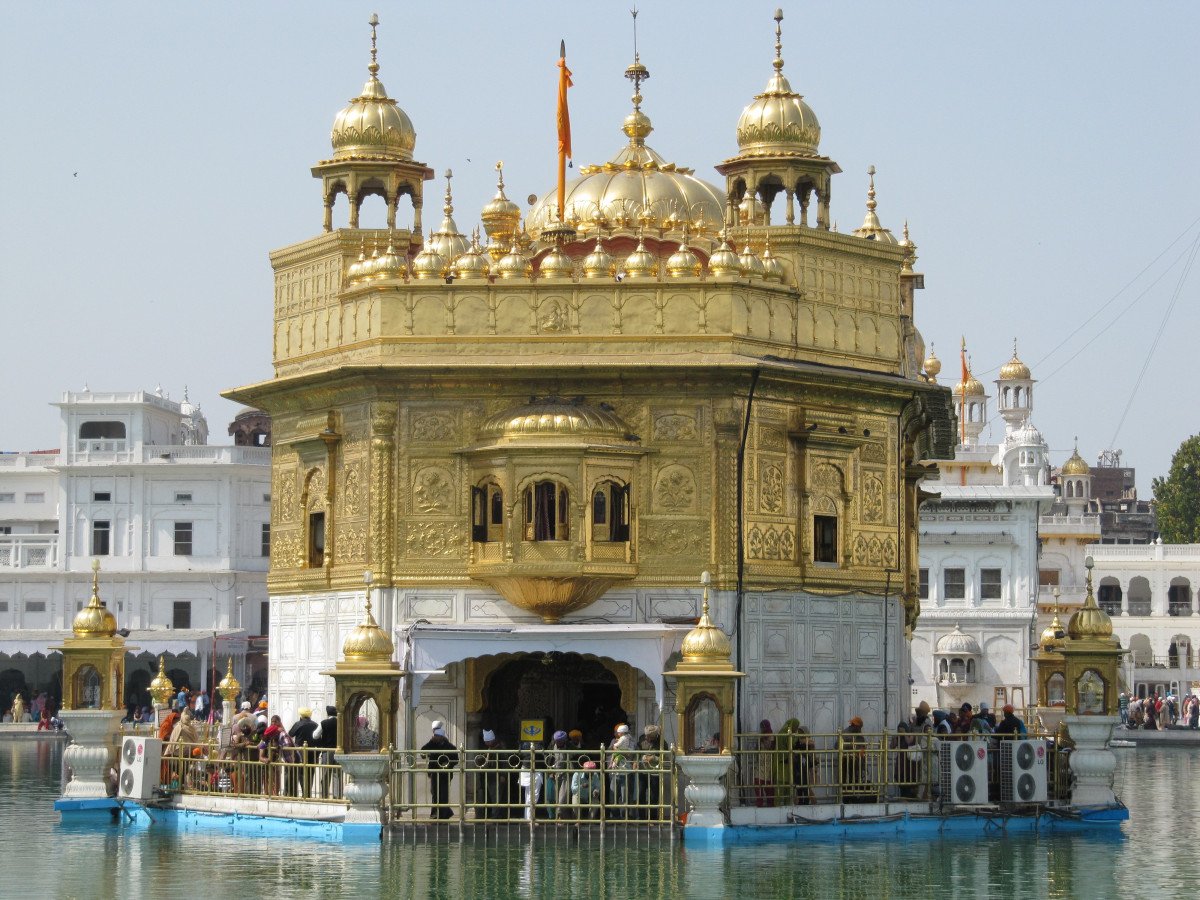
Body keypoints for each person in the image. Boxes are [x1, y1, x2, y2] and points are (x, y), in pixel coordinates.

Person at [420, 721, 458, 819]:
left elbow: (455, 759)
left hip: (445, 774)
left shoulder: (450, 747)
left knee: (443, 793)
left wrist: (448, 763)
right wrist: (431, 742)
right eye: (434, 736)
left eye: (437, 736)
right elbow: (423, 752)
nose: (435, 737)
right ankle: (435, 813)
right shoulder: (432, 744)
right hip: (434, 773)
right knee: (434, 793)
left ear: (441, 737)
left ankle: (443, 814)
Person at [475, 729, 510, 820]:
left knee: (496, 797)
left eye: (488, 741)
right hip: (488, 776)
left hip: (497, 776)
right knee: (490, 796)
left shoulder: (500, 748)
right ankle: (491, 814)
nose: (486, 743)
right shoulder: (487, 749)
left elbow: (505, 762)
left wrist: (503, 775)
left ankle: (496, 816)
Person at [288, 707, 320, 797]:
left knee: (301, 772)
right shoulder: (315, 725)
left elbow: (290, 734)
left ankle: (303, 793)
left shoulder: (298, 724)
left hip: (300, 752)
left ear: (301, 716)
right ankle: (308, 793)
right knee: (310, 772)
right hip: (312, 752)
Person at [839, 716, 870, 803]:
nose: (860, 729)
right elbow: (837, 746)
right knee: (845, 781)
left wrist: (864, 765)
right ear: (855, 726)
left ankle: (854, 799)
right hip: (845, 761)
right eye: (859, 727)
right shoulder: (844, 733)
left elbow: (863, 749)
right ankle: (846, 799)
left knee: (856, 780)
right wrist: (852, 747)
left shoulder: (859, 735)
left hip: (856, 762)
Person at [636, 724, 664, 819]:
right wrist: (638, 760)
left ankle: (653, 818)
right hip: (642, 771)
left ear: (654, 736)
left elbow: (665, 757)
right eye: (646, 736)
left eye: (649, 736)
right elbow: (637, 752)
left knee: (653, 796)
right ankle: (641, 818)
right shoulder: (641, 739)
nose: (646, 738)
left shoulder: (661, 742)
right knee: (640, 794)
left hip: (654, 772)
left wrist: (654, 757)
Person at [543, 730, 572, 819]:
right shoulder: (552, 746)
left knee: (562, 797)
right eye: (556, 741)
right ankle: (553, 817)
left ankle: (560, 816)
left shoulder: (569, 747)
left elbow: (576, 756)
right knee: (551, 797)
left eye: (559, 741)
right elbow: (547, 758)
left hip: (565, 775)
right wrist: (551, 770)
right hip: (553, 774)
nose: (557, 743)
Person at [608, 723, 636, 818]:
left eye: (619, 732)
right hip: (615, 772)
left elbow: (631, 754)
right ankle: (615, 817)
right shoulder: (614, 741)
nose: (617, 734)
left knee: (625, 797)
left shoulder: (630, 741)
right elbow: (610, 751)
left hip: (625, 772)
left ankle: (625, 818)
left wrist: (620, 750)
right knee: (613, 796)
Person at [314, 705, 339, 798]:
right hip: (338, 751)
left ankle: (324, 795)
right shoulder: (341, 722)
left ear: (327, 713)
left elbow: (315, 735)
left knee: (325, 774)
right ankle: (337, 796)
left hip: (327, 751)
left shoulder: (324, 723)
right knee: (337, 774)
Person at [753, 719, 776, 807]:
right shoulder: (761, 737)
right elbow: (757, 748)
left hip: (769, 764)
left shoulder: (772, 737)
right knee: (757, 783)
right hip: (761, 763)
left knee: (769, 786)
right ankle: (759, 803)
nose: (762, 729)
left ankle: (770, 804)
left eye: (763, 727)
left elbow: (770, 747)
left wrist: (765, 739)